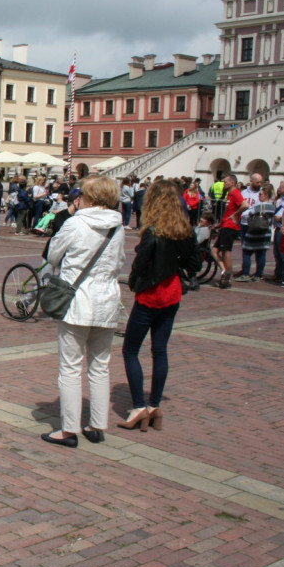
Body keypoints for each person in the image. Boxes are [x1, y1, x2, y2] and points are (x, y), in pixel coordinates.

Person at [41, 175, 125, 448]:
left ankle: (68, 429)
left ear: (90, 198)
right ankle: (97, 425)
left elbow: (53, 255)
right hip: (107, 298)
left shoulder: (76, 223)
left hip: (78, 300)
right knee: (99, 366)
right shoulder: (118, 225)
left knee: (70, 367)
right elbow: (120, 260)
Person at [118, 180, 200, 433]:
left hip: (151, 294)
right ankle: (155, 406)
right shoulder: (184, 230)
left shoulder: (153, 232)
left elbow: (141, 264)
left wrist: (135, 281)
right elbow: (195, 263)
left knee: (130, 350)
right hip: (172, 292)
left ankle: (139, 406)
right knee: (159, 350)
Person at [210, 174, 247, 289]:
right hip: (226, 225)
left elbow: (245, 205)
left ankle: (227, 277)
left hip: (230, 227)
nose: (223, 184)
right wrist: (220, 224)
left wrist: (235, 215)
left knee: (226, 252)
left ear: (232, 182)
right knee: (214, 251)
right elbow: (228, 211)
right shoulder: (229, 194)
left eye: (225, 182)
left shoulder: (235, 193)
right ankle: (224, 272)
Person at [236, 184, 275, 282]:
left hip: (254, 232)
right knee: (261, 253)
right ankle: (258, 274)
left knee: (247, 252)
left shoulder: (259, 206)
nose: (259, 196)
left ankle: (246, 273)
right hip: (265, 232)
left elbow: (249, 213)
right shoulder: (272, 206)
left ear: (266, 195)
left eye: (261, 194)